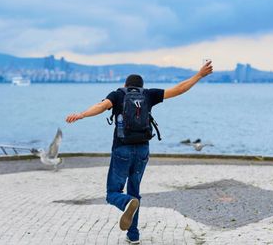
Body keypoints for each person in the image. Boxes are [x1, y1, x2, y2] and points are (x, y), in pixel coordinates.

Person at [65, 60, 213, 244]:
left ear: (126, 85)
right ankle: (133, 235)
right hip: (142, 149)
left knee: (113, 193)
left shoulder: (118, 94)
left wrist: (82, 114)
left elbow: (102, 106)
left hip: (122, 149)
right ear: (142, 87)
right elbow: (180, 89)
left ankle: (126, 204)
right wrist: (199, 74)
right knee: (134, 191)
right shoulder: (149, 95)